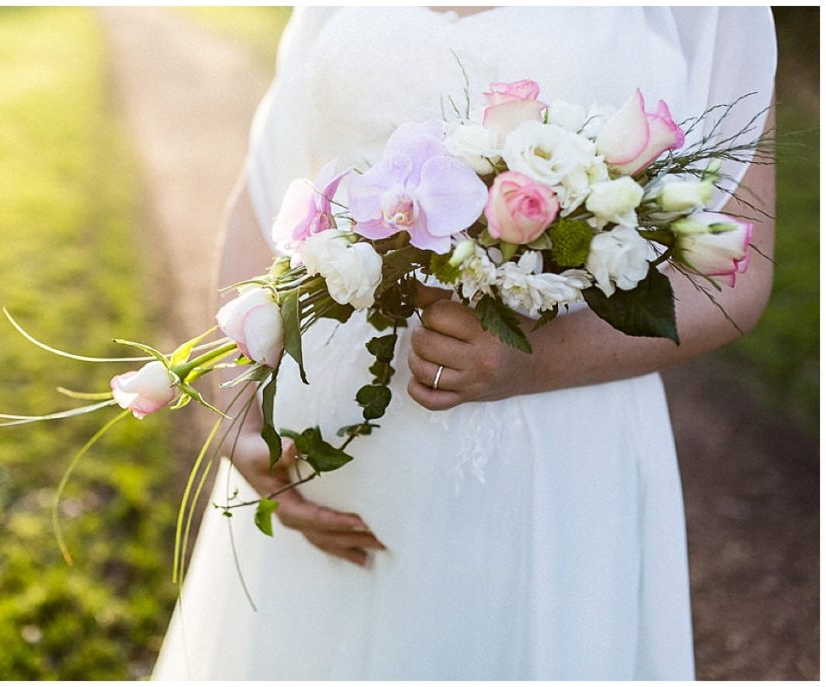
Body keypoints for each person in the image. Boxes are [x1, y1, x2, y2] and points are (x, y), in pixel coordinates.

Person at [152, 6, 776, 680]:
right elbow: (268, 191)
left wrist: (530, 359)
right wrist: (239, 408)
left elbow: (741, 273)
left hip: (554, 466)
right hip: (330, 468)